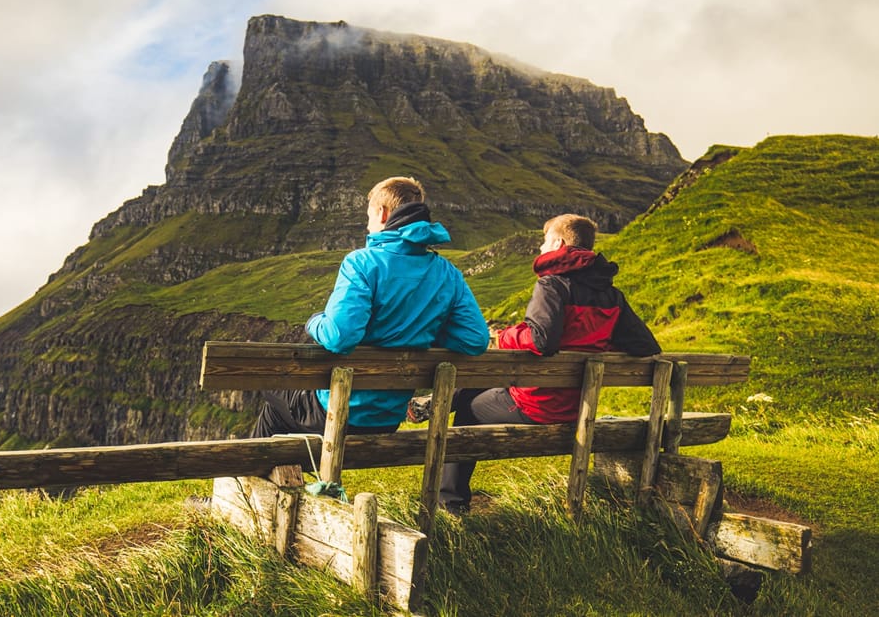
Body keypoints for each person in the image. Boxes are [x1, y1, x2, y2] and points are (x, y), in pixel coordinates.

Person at [437, 213, 661, 513]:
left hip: (538, 406)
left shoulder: (553, 285)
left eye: (544, 242)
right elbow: (646, 346)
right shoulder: (612, 295)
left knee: (467, 405)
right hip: (577, 407)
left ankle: (450, 505)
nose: (540, 249)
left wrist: (507, 336)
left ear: (559, 242)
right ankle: (437, 408)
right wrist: (598, 340)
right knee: (479, 387)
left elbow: (542, 339)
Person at [250, 176, 491, 438]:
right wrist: (426, 330)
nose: (367, 224)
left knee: (273, 389)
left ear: (382, 213)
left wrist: (314, 321)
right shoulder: (447, 273)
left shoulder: (361, 263)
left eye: (368, 215)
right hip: (388, 419)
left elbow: (339, 336)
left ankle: (244, 474)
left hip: (339, 413)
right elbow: (476, 339)